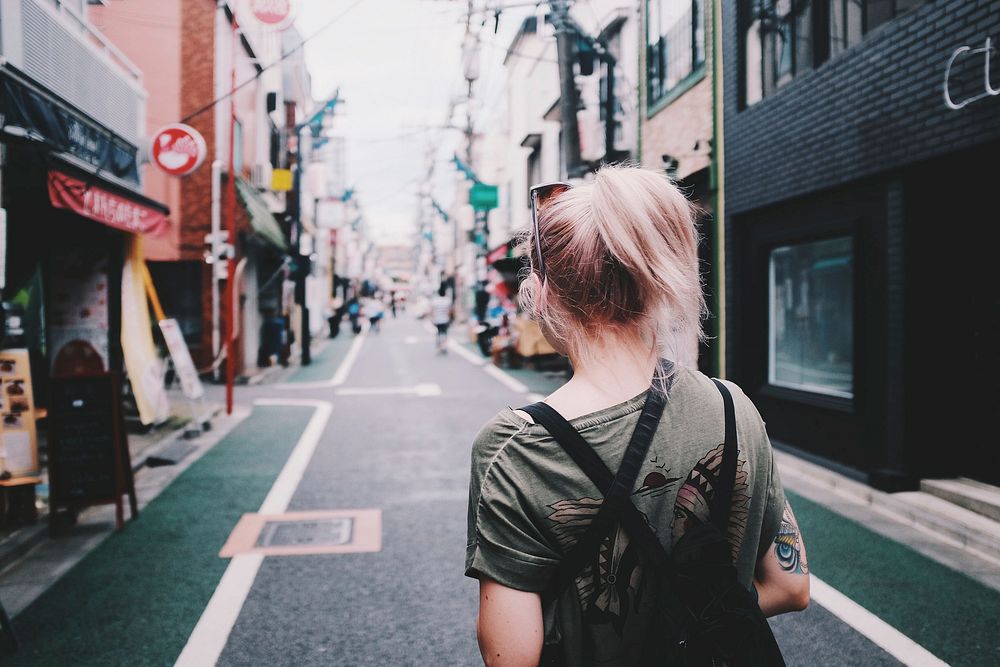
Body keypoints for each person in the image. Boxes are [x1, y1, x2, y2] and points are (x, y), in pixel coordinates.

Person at [466, 166, 809, 666]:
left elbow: (512, 657)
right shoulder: (733, 405)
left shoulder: (513, 447)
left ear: (542, 294)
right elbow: (790, 585)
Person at [430, 284, 453, 354]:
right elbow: (449, 311)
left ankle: (439, 347)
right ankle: (444, 347)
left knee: (439, 333)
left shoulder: (435, 301)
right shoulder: (447, 300)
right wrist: (449, 318)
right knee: (445, 333)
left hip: (437, 320)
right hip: (445, 319)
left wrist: (432, 319)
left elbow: (432, 311)